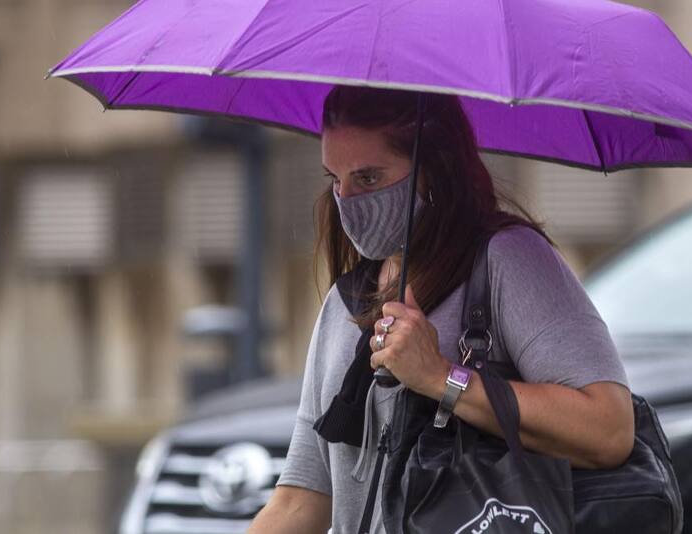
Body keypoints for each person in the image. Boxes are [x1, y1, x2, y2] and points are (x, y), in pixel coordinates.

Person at [247, 85, 633, 534]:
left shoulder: (507, 263)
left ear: (433, 170)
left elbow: (609, 429)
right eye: (336, 179)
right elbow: (303, 500)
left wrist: (440, 378)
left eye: (369, 179)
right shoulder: (345, 302)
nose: (348, 201)